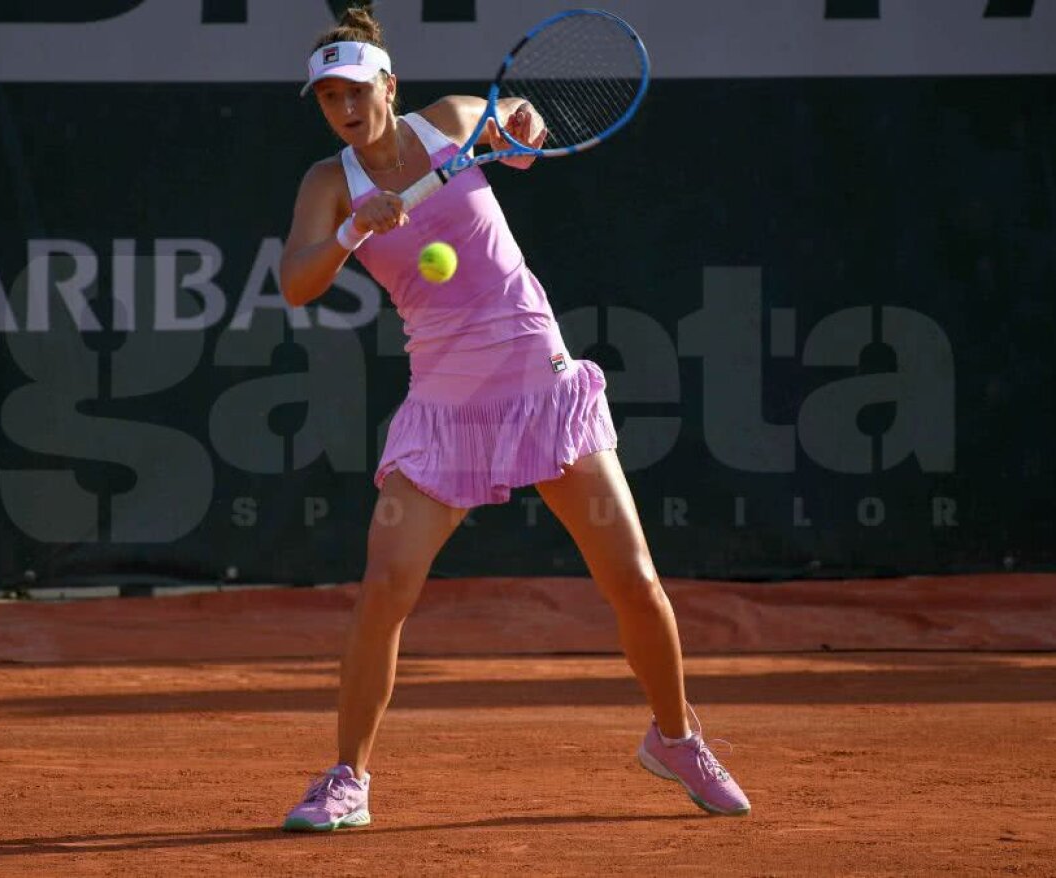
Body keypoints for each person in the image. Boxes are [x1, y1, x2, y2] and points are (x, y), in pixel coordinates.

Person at [279, 5, 750, 832]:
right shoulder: (328, 185)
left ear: (389, 86)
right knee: (383, 589)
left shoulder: (452, 122)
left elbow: (518, 133)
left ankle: (675, 738)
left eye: (357, 91)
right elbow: (296, 281)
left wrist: (521, 127)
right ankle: (348, 778)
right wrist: (355, 228)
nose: (345, 109)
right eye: (329, 100)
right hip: (446, 411)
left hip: (541, 385)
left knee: (634, 580)